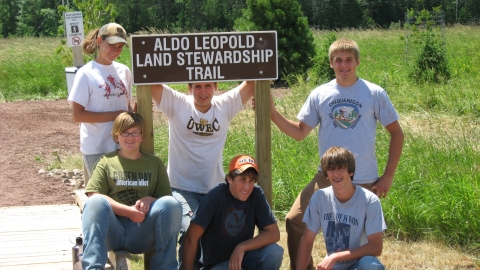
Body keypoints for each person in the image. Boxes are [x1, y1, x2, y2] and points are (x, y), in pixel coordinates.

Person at [268, 38, 404, 269]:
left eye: (348, 60)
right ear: (331, 63)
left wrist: (388, 176)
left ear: (357, 61)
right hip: (326, 176)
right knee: (294, 220)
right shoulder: (321, 93)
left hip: (364, 178)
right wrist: (271, 112)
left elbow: (397, 134)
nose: (344, 65)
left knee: (356, 237)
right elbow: (300, 132)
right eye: (338, 60)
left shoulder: (373, 93)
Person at [151, 81, 255, 266]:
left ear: (215, 87)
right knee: (191, 228)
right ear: (189, 88)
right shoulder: (177, 103)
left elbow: (253, 81)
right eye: (197, 86)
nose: (203, 91)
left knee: (220, 234)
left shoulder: (224, 105)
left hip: (214, 189)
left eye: (208, 86)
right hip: (182, 187)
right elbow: (150, 78)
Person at [81, 112, 182, 270]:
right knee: (95, 202)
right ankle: (93, 267)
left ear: (142, 137)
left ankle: (166, 266)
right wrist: (128, 212)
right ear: (116, 136)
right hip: (112, 231)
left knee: (171, 203)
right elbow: (94, 194)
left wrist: (150, 199)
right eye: (125, 133)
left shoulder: (154, 163)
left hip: (141, 232)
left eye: (135, 133)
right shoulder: (106, 161)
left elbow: (165, 201)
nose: (130, 137)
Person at [182, 155, 284, 270]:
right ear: (229, 179)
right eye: (242, 180)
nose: (247, 187)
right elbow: (191, 237)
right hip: (216, 264)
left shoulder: (256, 194)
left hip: (243, 257)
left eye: (251, 181)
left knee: (274, 252)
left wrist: (241, 247)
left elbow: (274, 233)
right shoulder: (215, 197)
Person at [297, 146, 386, 270]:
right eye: (331, 169)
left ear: (351, 171)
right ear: (326, 174)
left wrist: (335, 257)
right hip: (334, 267)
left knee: (370, 264)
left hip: (359, 264)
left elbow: (376, 247)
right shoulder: (319, 198)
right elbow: (307, 240)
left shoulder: (369, 200)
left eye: (341, 169)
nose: (336, 174)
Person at [68, 22, 133, 180]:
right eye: (111, 45)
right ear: (99, 41)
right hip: (97, 146)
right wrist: (115, 115)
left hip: (123, 145)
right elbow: (78, 115)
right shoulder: (86, 73)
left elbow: (126, 106)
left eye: (119, 47)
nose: (115, 51)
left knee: (122, 193)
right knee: (101, 196)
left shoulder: (124, 71)